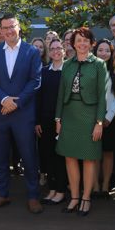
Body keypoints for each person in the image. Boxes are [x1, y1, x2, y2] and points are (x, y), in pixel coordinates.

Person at [0, 14, 43, 214]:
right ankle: (2, 193)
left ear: (19, 27)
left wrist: (16, 103)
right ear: (0, 31)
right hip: (0, 112)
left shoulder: (31, 51)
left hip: (23, 113)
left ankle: (33, 196)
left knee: (28, 156)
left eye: (12, 26)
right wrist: (3, 100)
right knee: (1, 155)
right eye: (4, 28)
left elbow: (35, 81)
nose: (8, 31)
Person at [55, 28, 107, 217]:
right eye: (79, 40)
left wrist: (99, 122)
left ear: (92, 43)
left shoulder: (99, 65)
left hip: (89, 116)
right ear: (73, 43)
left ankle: (86, 197)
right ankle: (74, 197)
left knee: (88, 157)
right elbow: (61, 94)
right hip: (69, 115)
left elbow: (103, 96)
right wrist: (58, 119)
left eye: (86, 41)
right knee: (69, 157)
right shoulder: (67, 64)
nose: (82, 44)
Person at [35, 38, 66, 205]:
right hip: (45, 121)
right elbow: (39, 98)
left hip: (63, 121)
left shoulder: (68, 70)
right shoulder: (44, 71)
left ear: (64, 50)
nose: (55, 51)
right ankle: (52, 189)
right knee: (48, 156)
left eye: (58, 48)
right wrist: (37, 121)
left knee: (60, 157)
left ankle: (61, 190)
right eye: (52, 48)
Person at [93, 38, 115, 199]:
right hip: (93, 119)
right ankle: (95, 187)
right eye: (100, 50)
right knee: (94, 153)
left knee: (108, 153)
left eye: (107, 50)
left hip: (111, 119)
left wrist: (109, 116)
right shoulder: (91, 69)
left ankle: (105, 187)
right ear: (95, 51)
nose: (103, 53)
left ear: (111, 53)